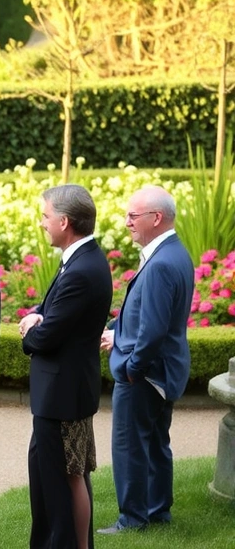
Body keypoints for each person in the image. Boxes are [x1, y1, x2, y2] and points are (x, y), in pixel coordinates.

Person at [19, 185, 113, 549]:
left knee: (65, 480)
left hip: (62, 396)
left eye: (45, 217)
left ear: (64, 221)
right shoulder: (80, 259)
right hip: (63, 392)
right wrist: (39, 318)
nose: (42, 224)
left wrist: (31, 329)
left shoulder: (81, 269)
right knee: (60, 477)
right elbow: (53, 316)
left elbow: (45, 337)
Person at [97, 186, 194, 535]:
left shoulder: (161, 263)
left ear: (156, 218)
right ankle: (158, 511)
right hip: (164, 371)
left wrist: (131, 369)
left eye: (132, 216)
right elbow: (149, 318)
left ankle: (132, 519)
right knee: (155, 443)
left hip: (146, 375)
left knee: (129, 446)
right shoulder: (174, 253)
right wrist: (117, 330)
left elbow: (152, 332)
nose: (126, 223)